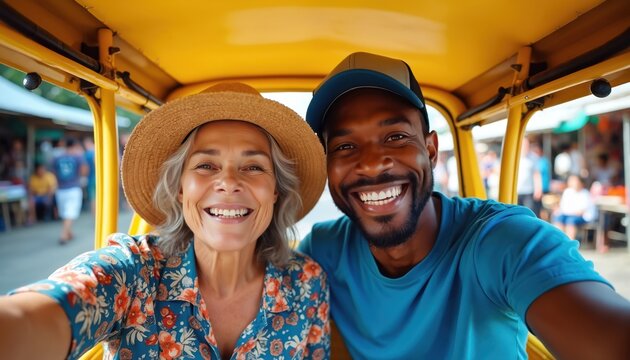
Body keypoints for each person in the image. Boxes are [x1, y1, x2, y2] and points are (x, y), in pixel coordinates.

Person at [298, 52, 630, 359]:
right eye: (345, 146)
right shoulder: (325, 250)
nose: (370, 164)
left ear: (430, 151)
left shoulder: (502, 242)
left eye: (395, 137)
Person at [0, 83, 330, 360]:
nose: (229, 182)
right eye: (206, 166)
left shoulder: (307, 282)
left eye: (254, 167)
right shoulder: (132, 272)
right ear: (179, 190)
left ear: (275, 191)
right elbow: (35, 316)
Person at [52, 137, 88, 244]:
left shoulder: (57, 158)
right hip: (73, 187)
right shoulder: (78, 157)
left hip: (61, 189)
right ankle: (63, 234)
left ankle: (69, 233)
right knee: (70, 212)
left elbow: (53, 173)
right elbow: (84, 170)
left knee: (65, 212)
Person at [553, 175, 596, 241]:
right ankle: (558, 240)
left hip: (583, 217)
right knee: (558, 217)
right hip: (568, 214)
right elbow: (563, 206)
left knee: (571, 220)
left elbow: (581, 212)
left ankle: (569, 241)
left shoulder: (585, 194)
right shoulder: (567, 192)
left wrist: (566, 211)